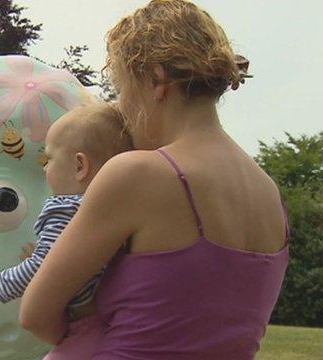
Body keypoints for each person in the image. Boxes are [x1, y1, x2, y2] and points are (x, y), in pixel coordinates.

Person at [20, 1, 289, 359]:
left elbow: (35, 313)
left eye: (122, 89)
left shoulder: (138, 173)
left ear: (157, 81)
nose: (122, 108)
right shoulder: (269, 193)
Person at [0, 102, 133, 359]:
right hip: (117, 321)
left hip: (85, 325)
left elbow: (43, 269)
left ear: (79, 166)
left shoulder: (68, 209)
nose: (45, 168)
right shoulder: (122, 209)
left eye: (48, 159)